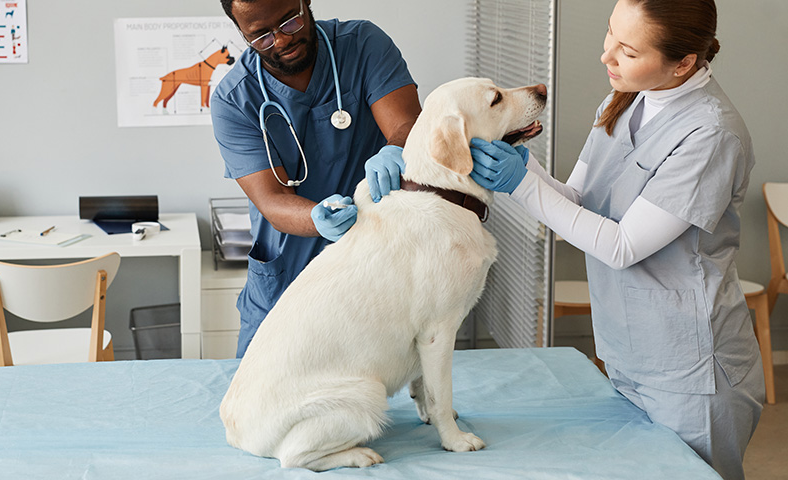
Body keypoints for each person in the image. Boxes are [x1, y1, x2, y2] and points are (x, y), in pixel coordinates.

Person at [461, 0, 764, 478]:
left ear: (683, 63)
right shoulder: (624, 100)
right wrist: (522, 161)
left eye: (626, 50)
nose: (606, 57)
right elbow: (578, 202)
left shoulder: (711, 134)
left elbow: (621, 245)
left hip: (689, 368)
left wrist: (520, 183)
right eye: (610, 35)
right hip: (627, 352)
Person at [211, 0, 421, 357]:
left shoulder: (361, 45)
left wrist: (396, 149)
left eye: (289, 21)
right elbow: (273, 200)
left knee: (374, 391)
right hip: (286, 278)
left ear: (306, 2)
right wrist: (317, 219)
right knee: (262, 397)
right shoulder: (235, 100)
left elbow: (405, 124)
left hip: (374, 266)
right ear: (241, 33)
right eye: (260, 36)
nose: (280, 41)